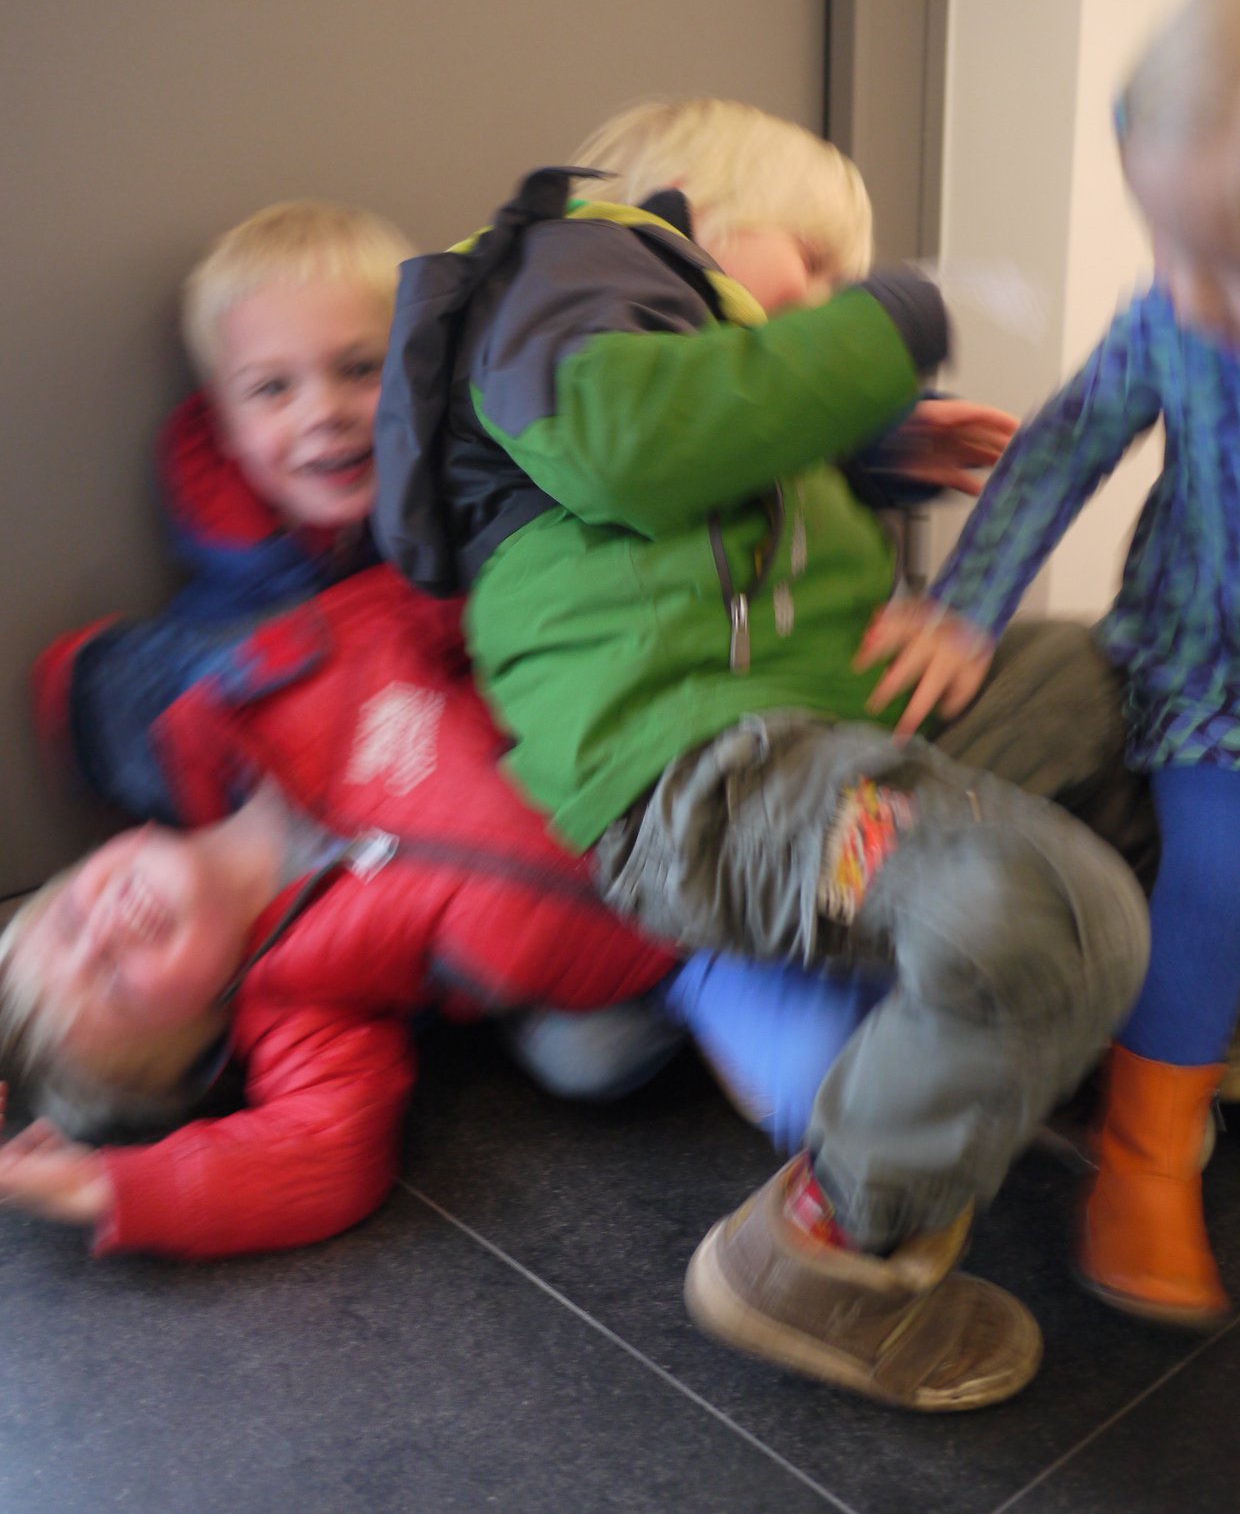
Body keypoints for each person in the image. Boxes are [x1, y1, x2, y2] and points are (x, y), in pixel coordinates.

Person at [373, 97, 1151, 1410]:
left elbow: (723, 478)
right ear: (685, 208)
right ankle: (822, 1247)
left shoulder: (667, 348)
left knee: (1092, 672)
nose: (837, 298)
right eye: (818, 265)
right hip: (711, 786)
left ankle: (1067, 1024)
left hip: (834, 746)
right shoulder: (562, 263)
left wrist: (878, 454)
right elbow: (633, 447)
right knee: (1060, 915)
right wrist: (888, 322)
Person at [1, 564, 900, 1257]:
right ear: (203, 1038)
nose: (107, 928)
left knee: (867, 816)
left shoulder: (260, 697)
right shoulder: (300, 1005)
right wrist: (109, 1191)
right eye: (116, 981)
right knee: (833, 1090)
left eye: (71, 921)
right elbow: (325, 1154)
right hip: (676, 949)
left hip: (670, 730)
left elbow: (446, 596)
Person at [856, 0, 1240, 1329]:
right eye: (1170, 244)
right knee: (1227, 870)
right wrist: (970, 604)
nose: (1191, 291)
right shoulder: (1174, 319)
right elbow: (1059, 448)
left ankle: (1236, 1034)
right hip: (1225, 671)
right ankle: (1146, 1153)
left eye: (1238, 269)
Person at [37, 199, 415, 822]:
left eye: (359, 368)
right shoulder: (228, 594)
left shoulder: (463, 525)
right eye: (273, 388)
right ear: (226, 428)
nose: (323, 412)